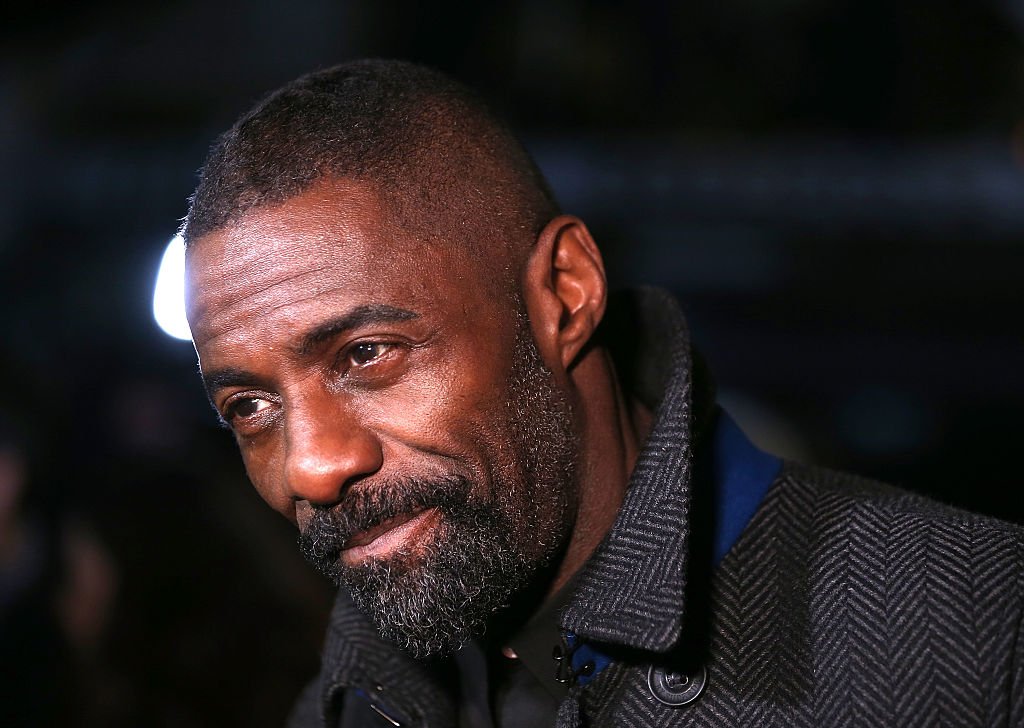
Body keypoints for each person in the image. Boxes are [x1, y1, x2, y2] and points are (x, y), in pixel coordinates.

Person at [183, 60, 1024, 727]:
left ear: (566, 291)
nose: (311, 467)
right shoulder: (351, 697)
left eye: (367, 354)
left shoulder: (978, 632)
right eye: (250, 407)